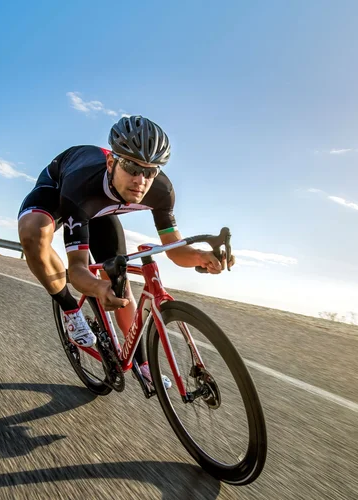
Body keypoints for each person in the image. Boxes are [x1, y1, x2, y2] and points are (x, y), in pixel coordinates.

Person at [17, 115, 234, 390]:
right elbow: (77, 269)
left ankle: (142, 363)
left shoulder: (161, 190)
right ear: (112, 162)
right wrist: (96, 286)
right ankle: (70, 309)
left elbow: (176, 251)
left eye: (150, 171)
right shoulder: (81, 187)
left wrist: (202, 257)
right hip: (62, 190)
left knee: (121, 286)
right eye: (132, 167)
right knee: (33, 232)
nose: (140, 180)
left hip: (101, 209)